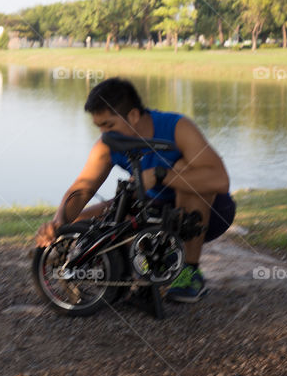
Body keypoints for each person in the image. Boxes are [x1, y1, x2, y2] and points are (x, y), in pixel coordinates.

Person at [35, 77, 236, 303]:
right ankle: (144, 269)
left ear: (132, 115)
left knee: (182, 168)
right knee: (94, 214)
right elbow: (83, 187)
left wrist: (162, 175)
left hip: (210, 211)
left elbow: (220, 180)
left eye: (109, 125)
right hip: (155, 210)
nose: (104, 133)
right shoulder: (107, 144)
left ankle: (189, 273)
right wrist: (59, 224)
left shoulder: (178, 127)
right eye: (99, 126)